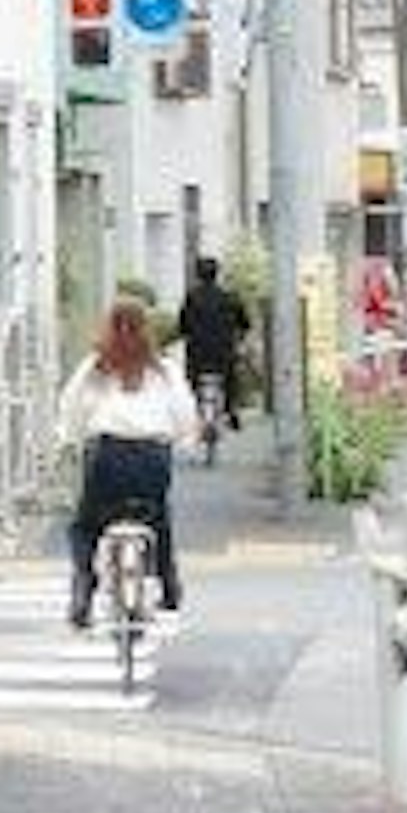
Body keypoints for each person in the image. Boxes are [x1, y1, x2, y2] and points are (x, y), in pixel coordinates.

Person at [58, 294, 194, 624]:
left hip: (107, 456)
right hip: (153, 457)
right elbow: (184, 413)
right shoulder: (163, 369)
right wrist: (182, 439)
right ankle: (169, 586)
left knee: (84, 527)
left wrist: (71, 440)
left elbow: (72, 409)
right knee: (158, 519)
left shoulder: (95, 367)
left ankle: (83, 589)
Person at [173, 254, 249, 458]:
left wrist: (184, 333)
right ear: (217, 274)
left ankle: (193, 416)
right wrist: (238, 335)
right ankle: (232, 411)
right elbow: (245, 324)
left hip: (197, 353)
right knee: (231, 380)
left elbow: (182, 325)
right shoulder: (230, 297)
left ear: (198, 275)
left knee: (191, 383)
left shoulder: (192, 297)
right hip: (224, 352)